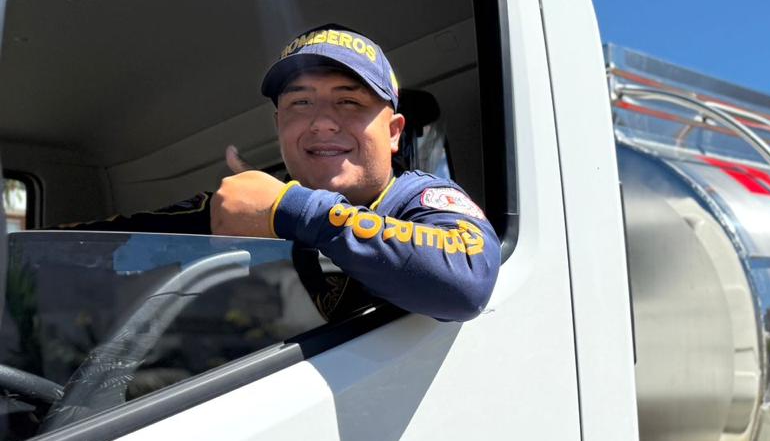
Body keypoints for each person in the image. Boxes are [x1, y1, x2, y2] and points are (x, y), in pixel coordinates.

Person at [75, 24, 500, 322]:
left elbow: (465, 281)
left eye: (349, 102)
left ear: (393, 133)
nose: (322, 123)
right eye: (301, 103)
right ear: (280, 127)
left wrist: (290, 210)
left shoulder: (420, 200)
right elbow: (104, 240)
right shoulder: (244, 207)